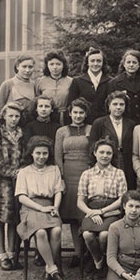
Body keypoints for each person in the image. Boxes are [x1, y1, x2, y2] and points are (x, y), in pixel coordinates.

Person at [79, 190, 140, 280]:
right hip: (120, 267)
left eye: (137, 207)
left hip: (139, 268)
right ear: (124, 206)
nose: (134, 210)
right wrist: (123, 274)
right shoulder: (115, 227)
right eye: (130, 206)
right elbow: (110, 258)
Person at [15, 136, 67, 280]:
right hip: (31, 207)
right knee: (41, 233)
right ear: (31, 153)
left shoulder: (54, 169)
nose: (41, 157)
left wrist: (55, 207)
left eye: (44, 153)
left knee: (56, 230)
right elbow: (21, 197)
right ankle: (53, 269)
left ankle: (48, 270)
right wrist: (41, 208)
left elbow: (58, 191)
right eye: (38, 153)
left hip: (50, 205)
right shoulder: (24, 172)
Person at [77, 138, 128, 280]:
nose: (105, 156)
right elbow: (80, 201)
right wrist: (91, 212)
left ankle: (107, 263)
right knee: (88, 235)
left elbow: (121, 200)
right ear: (95, 153)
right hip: (91, 211)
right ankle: (97, 261)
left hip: (111, 211)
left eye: (109, 153)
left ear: (112, 155)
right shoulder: (87, 174)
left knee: (105, 235)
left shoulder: (118, 173)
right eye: (102, 152)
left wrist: (102, 211)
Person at [0, 102, 26, 271]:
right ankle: (2, 256)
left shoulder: (22, 135)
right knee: (0, 219)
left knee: (14, 219)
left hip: (17, 183)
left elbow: (24, 158)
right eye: (10, 116)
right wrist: (11, 172)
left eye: (17, 116)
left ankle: (11, 253)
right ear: (4, 117)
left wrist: (21, 171)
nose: (14, 119)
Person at [54, 97, 92, 268]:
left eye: (81, 113)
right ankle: (78, 253)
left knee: (85, 214)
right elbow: (57, 157)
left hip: (87, 174)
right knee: (73, 217)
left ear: (86, 114)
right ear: (70, 113)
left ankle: (89, 252)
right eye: (75, 112)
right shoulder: (61, 131)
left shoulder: (91, 129)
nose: (78, 116)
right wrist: (61, 178)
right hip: (68, 175)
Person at [89, 91, 136, 189]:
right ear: (109, 106)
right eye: (115, 104)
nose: (118, 107)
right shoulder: (99, 123)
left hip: (126, 162)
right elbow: (92, 146)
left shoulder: (130, 124)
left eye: (121, 104)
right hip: (107, 160)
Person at [67, 47, 112, 125]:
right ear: (87, 63)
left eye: (98, 61)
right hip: (83, 123)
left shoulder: (110, 81)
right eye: (92, 61)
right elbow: (70, 105)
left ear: (103, 63)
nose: (95, 64)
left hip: (105, 123)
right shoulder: (77, 81)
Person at [107, 49, 140, 126]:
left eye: (134, 62)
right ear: (124, 64)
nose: (131, 65)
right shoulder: (113, 83)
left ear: (139, 65)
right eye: (128, 62)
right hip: (123, 122)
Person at [35, 50, 73, 126]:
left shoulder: (71, 81)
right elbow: (37, 100)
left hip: (65, 117)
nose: (55, 67)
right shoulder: (40, 82)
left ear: (63, 65)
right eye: (51, 64)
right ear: (47, 65)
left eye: (58, 64)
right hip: (47, 117)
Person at [0, 55, 36, 122]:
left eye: (30, 67)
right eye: (24, 66)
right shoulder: (7, 84)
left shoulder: (35, 85)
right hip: (12, 125)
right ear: (17, 67)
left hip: (29, 126)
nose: (27, 70)